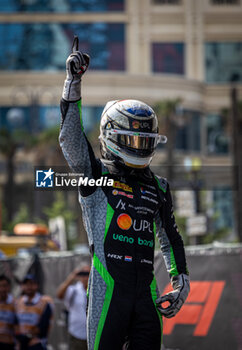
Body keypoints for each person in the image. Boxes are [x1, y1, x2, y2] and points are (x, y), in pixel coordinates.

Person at [59, 36, 190, 350]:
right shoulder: (96, 176)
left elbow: (170, 236)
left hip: (146, 297)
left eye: (144, 141)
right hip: (108, 294)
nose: (138, 148)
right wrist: (72, 84)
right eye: (131, 140)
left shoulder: (158, 186)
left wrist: (180, 278)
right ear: (110, 137)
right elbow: (71, 141)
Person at [15, 274, 54, 350]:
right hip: (21, 344)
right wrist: (20, 338)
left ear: (37, 285)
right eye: (26, 284)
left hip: (36, 343)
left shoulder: (44, 302)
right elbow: (15, 322)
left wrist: (27, 337)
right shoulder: (18, 302)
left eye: (32, 284)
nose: (29, 287)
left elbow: (43, 325)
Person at [56, 265, 90, 350]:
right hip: (77, 334)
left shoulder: (98, 290)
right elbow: (59, 295)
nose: (86, 277)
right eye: (83, 274)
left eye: (88, 273)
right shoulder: (74, 290)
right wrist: (72, 277)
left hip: (94, 335)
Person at [0, 274, 16, 350]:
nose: (2, 289)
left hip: (8, 344)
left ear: (9, 287)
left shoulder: (15, 304)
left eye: (4, 286)